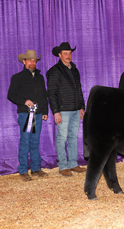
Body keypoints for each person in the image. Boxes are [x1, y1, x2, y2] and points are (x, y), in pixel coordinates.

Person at [7, 50, 49, 181]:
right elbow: (11, 95)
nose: (32, 63)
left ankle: (36, 168)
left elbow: (43, 95)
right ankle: (24, 170)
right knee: (25, 141)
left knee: (35, 141)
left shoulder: (40, 77)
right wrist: (24, 102)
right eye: (30, 60)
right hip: (26, 114)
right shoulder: (17, 77)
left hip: (38, 114)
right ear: (24, 61)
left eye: (34, 60)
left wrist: (45, 111)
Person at [46, 42, 86, 177]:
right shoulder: (54, 71)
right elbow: (51, 93)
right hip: (63, 110)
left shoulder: (74, 70)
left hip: (75, 109)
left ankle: (73, 163)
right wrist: (56, 111)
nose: (68, 55)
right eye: (65, 53)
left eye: (69, 53)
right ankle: (63, 165)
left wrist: (81, 106)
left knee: (73, 137)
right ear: (59, 55)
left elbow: (79, 89)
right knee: (62, 137)